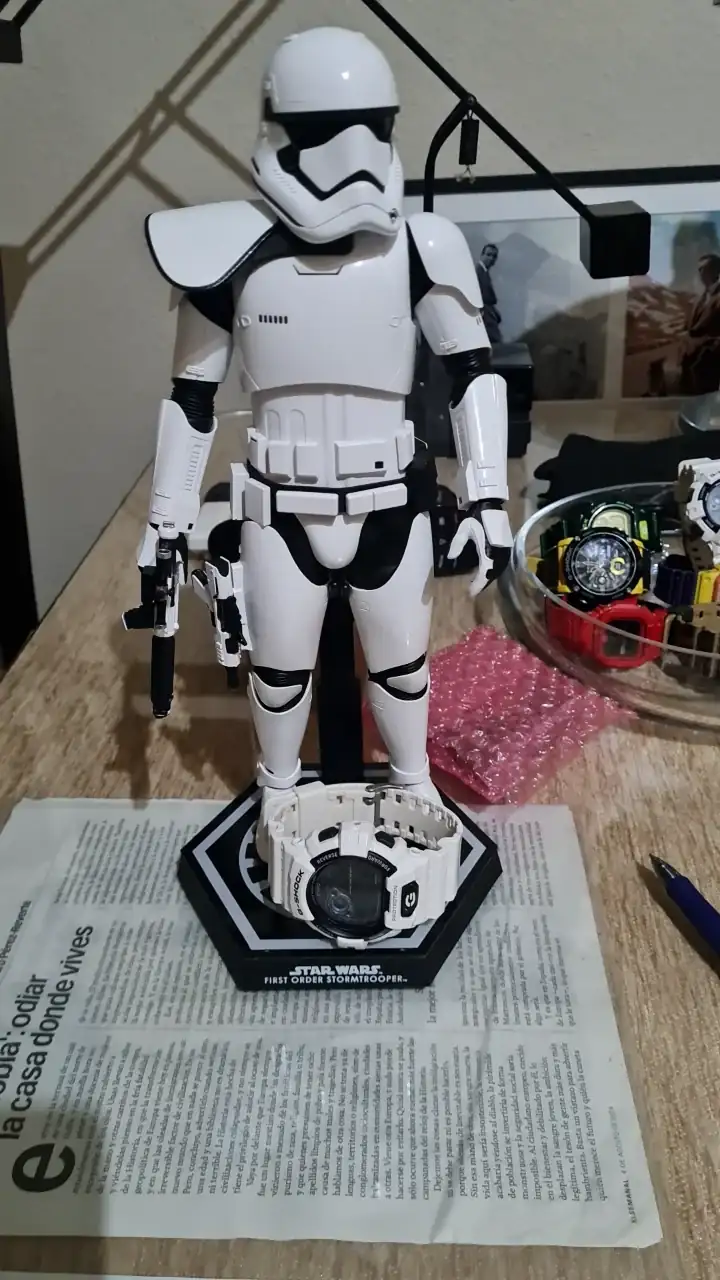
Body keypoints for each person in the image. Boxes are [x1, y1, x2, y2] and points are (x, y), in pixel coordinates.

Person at [680, 254, 720, 396]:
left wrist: (710, 346)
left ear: (715, 270)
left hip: (710, 362)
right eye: (699, 269)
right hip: (690, 361)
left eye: (704, 268)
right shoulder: (699, 299)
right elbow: (691, 326)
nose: (700, 273)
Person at [476, 243, 503, 344]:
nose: (491, 258)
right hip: (485, 316)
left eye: (494, 256)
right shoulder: (478, 271)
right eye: (488, 255)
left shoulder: (484, 272)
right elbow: (482, 296)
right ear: (482, 255)